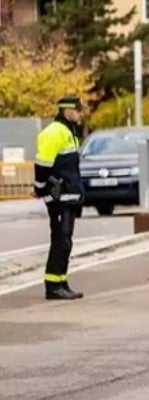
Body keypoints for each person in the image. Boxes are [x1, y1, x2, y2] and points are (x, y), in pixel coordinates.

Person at [33, 95, 86, 300]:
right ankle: (53, 286)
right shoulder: (54, 133)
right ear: (67, 111)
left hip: (67, 196)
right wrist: (39, 189)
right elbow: (43, 166)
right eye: (78, 110)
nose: (81, 114)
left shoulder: (68, 132)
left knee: (65, 240)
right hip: (58, 197)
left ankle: (60, 281)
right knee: (61, 240)